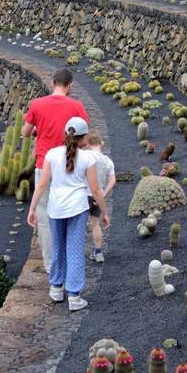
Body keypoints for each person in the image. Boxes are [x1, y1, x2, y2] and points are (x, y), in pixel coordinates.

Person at [27, 117, 110, 311]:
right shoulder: (88, 158)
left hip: (55, 209)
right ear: (84, 139)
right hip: (77, 209)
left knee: (58, 247)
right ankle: (74, 296)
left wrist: (32, 209)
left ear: (66, 133)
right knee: (74, 249)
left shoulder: (52, 154)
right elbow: (95, 190)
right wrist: (104, 212)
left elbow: (41, 184)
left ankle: (56, 288)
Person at [22, 68, 89, 273]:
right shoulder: (76, 106)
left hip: (44, 166)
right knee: (72, 215)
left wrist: (36, 131)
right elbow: (84, 139)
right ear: (69, 85)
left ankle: (52, 267)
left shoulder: (37, 104)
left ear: (53, 83)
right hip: (70, 167)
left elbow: (25, 132)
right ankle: (70, 263)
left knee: (45, 217)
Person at [86, 130, 116, 263]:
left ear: (87, 143)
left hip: (83, 194)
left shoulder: (84, 155)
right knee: (95, 224)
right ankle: (98, 252)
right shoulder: (108, 161)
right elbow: (112, 180)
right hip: (98, 197)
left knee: (77, 225)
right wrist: (103, 194)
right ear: (101, 143)